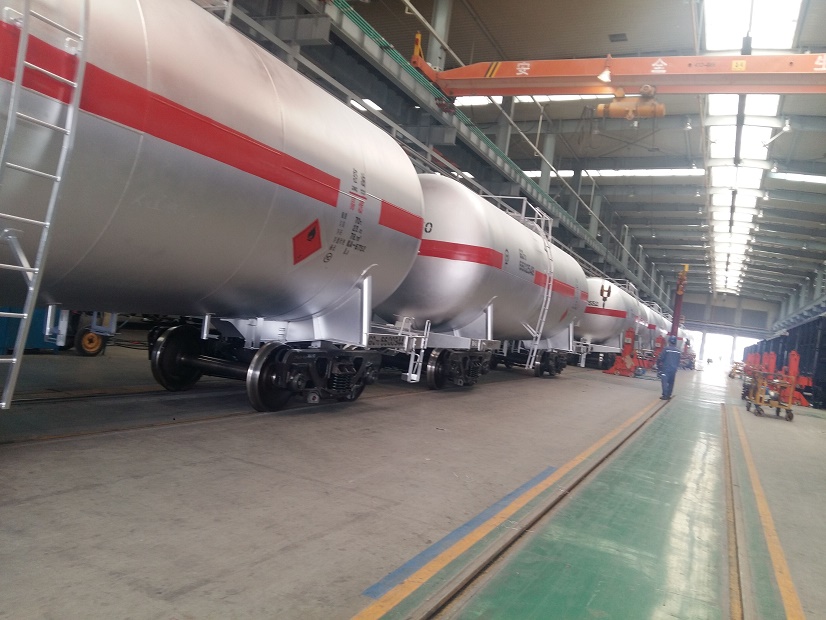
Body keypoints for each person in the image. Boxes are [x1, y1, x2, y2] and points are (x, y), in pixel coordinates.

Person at [657, 335, 681, 400]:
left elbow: (661, 358)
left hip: (666, 368)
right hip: (674, 369)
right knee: (671, 382)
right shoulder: (678, 351)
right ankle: (669, 395)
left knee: (664, 381)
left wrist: (658, 365)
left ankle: (665, 395)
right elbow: (678, 360)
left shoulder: (666, 349)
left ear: (669, 341)